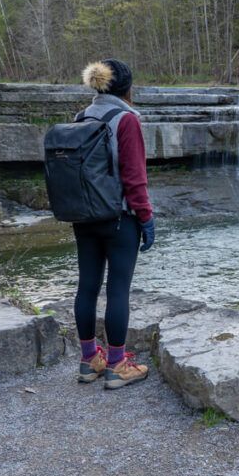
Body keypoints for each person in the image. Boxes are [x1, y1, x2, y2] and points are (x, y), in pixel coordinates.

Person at [73, 58, 155, 390]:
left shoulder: (81, 117)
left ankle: (89, 359)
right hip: (119, 218)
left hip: (84, 216)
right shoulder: (126, 119)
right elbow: (134, 179)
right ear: (126, 87)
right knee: (118, 289)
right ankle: (118, 365)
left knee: (87, 286)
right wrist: (146, 219)